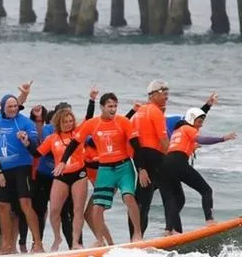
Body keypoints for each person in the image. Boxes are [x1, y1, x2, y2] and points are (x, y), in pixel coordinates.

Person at [58, 92, 144, 246]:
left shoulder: (123, 122)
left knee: (128, 197)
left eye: (115, 106)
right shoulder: (92, 124)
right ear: (102, 107)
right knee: (96, 208)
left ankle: (137, 233)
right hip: (105, 170)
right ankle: (100, 240)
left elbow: (136, 145)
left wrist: (142, 169)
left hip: (124, 167)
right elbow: (74, 143)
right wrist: (63, 161)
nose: (113, 109)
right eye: (110, 106)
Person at [0, 93, 44, 254]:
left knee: (25, 205)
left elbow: (35, 146)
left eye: (15, 106)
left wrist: (26, 141)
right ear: (3, 108)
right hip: (3, 171)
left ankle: (38, 243)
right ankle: (7, 246)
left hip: (22, 168)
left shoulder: (25, 122)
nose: (13, 109)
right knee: (2, 206)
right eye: (10, 106)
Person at [20, 108, 88, 251]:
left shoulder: (78, 134)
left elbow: (88, 118)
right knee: (54, 211)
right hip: (61, 176)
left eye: (70, 121)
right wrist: (26, 142)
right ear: (58, 123)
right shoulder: (52, 138)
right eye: (65, 122)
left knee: (77, 209)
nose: (69, 124)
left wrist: (91, 100)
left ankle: (76, 243)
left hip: (79, 174)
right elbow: (36, 154)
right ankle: (57, 238)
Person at [163, 108, 236, 233]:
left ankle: (168, 230)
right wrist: (223, 138)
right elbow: (201, 139)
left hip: (167, 164)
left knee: (178, 199)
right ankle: (210, 221)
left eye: (203, 121)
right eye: (199, 121)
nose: (201, 124)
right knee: (206, 190)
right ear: (191, 119)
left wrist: (192, 147)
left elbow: (179, 147)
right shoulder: (188, 128)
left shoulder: (177, 131)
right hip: (178, 162)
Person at [128, 80, 172, 237]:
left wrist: (140, 167)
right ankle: (169, 231)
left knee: (140, 199)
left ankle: (135, 237)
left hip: (140, 157)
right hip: (154, 157)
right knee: (169, 193)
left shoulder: (139, 113)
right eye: (164, 94)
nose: (166, 97)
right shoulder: (155, 112)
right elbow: (163, 140)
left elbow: (133, 142)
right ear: (154, 95)